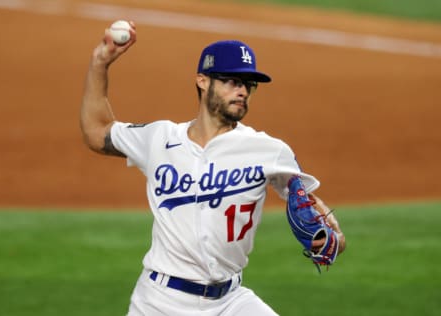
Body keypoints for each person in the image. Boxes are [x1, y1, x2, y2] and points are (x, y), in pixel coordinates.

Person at [80, 21, 346, 316]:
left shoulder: (269, 150)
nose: (242, 90)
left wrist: (328, 232)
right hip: (159, 302)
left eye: (248, 84)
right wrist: (99, 63)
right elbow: (96, 131)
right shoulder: (159, 138)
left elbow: (305, 201)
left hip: (231, 302)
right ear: (203, 81)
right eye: (232, 81)